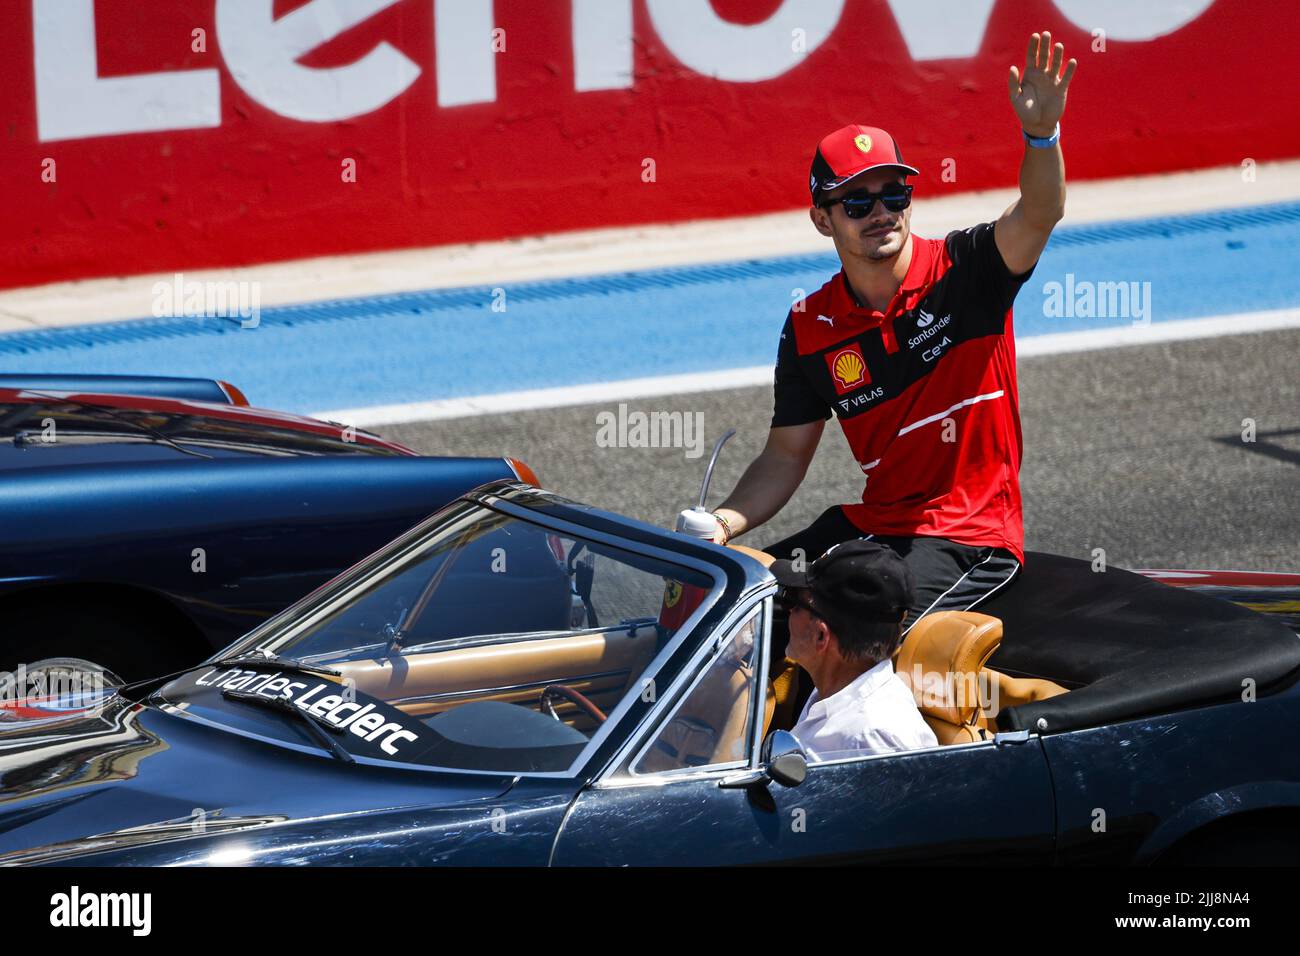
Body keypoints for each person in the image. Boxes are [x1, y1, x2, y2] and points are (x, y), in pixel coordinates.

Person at [709, 32, 1078, 633]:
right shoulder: (809, 328)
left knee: (825, 628)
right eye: (856, 202)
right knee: (731, 610)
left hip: (968, 536)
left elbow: (1040, 212)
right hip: (874, 526)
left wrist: (1042, 137)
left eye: (894, 193)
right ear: (821, 219)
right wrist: (722, 524)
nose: (880, 212)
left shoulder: (971, 269)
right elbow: (784, 456)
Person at [771, 539, 937, 760]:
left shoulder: (875, 739)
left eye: (792, 602)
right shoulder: (834, 687)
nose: (787, 611)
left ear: (821, 635)